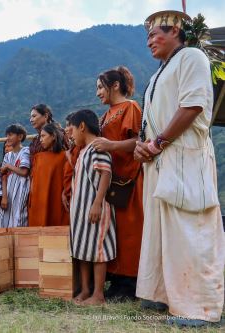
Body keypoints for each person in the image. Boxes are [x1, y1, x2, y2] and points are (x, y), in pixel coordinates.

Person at [134, 10, 224, 327]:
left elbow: (194, 104)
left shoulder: (192, 57)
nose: (149, 42)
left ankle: (197, 306)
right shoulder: (157, 74)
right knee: (165, 232)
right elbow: (151, 122)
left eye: (153, 34)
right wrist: (142, 146)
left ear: (175, 30)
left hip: (185, 157)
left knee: (190, 230)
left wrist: (157, 142)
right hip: (161, 161)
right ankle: (163, 294)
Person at [92, 66, 144, 300]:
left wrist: (111, 146)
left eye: (101, 87)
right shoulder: (107, 113)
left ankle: (132, 283)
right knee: (114, 232)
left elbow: (138, 141)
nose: (98, 93)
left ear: (115, 85)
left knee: (131, 232)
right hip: (111, 181)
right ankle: (117, 280)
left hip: (129, 180)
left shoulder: (130, 107)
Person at [69, 109, 116, 306]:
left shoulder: (98, 146)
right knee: (82, 247)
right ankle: (86, 289)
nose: (70, 134)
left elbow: (106, 174)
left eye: (71, 129)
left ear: (82, 126)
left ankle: (98, 294)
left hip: (95, 208)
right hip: (81, 210)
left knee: (97, 249)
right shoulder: (83, 151)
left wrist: (97, 203)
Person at [28, 123, 68, 227]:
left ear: (53, 136)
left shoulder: (65, 156)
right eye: (40, 136)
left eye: (43, 136)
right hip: (38, 201)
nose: (40, 139)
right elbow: (33, 181)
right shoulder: (38, 157)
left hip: (56, 200)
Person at [0, 124, 30, 228]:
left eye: (11, 135)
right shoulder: (8, 155)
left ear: (20, 137)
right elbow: (3, 177)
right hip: (8, 193)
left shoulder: (26, 151)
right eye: (7, 135)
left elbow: (24, 172)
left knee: (19, 220)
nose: (8, 138)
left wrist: (8, 166)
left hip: (20, 192)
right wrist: (4, 196)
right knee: (5, 223)